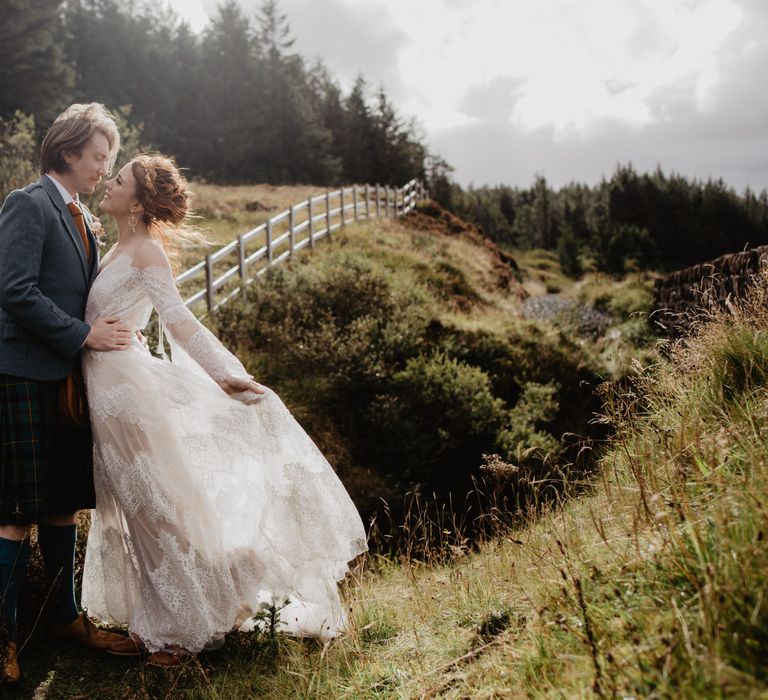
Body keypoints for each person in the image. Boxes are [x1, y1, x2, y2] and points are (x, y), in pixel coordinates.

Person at [80, 153, 368, 667]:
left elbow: (177, 319)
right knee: (139, 510)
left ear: (140, 203)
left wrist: (222, 372)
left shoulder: (147, 252)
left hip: (127, 393)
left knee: (156, 509)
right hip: (106, 391)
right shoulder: (115, 246)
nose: (108, 182)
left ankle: (183, 632)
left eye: (118, 179)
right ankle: (167, 617)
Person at [0, 103, 133, 684]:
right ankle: (2, 640)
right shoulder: (28, 205)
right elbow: (14, 290)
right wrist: (84, 335)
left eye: (110, 160)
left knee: (59, 504)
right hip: (22, 375)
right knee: (12, 513)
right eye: (100, 156)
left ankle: (63, 618)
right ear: (68, 152)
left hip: (64, 381)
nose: (105, 168)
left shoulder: (78, 214)